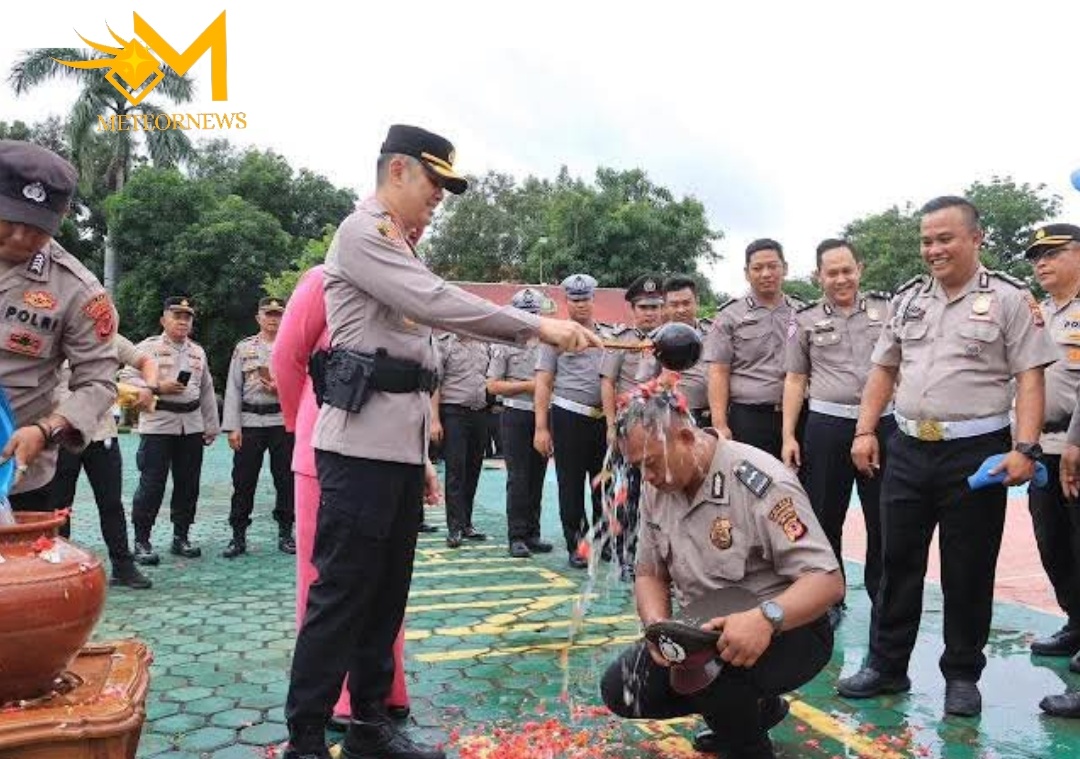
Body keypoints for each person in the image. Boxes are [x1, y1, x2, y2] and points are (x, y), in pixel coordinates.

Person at [282, 124, 601, 759]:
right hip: (356, 452)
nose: (440, 197)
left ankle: (372, 726)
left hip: (395, 451)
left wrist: (419, 460)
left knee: (385, 596)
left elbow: (415, 359)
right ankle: (307, 738)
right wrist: (538, 327)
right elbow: (434, 304)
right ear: (397, 171)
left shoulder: (400, 244)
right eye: (435, 182)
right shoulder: (363, 232)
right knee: (341, 595)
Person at [837, 196, 1058, 717]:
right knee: (895, 562)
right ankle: (887, 666)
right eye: (926, 240)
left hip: (976, 456)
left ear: (975, 239)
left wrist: (1025, 448)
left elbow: (1031, 377)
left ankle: (962, 675)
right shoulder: (908, 299)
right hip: (907, 448)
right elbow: (884, 370)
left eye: (944, 238)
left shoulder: (1008, 299)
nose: (933, 250)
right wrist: (864, 431)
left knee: (968, 568)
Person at [599, 375, 843, 759]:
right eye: (637, 467)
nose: (646, 477)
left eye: (650, 464)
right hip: (705, 629)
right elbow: (650, 573)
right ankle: (756, 712)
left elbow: (827, 583)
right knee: (623, 689)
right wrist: (657, 631)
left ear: (685, 438)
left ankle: (746, 743)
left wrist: (765, 619)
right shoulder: (657, 485)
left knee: (716, 684)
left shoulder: (760, 482)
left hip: (788, 628)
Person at [272, 264, 409, 732]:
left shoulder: (403, 279)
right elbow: (286, 359)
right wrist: (303, 425)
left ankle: (384, 693)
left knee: (386, 584)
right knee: (328, 583)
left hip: (388, 450)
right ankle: (338, 702)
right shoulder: (324, 279)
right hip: (326, 448)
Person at [0, 140, 119, 517]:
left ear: (61, 218)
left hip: (15, 476)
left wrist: (47, 429)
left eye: (36, 229)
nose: (20, 238)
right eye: (9, 221)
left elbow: (99, 382)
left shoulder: (78, 293)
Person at [781, 239, 893, 622]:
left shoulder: (887, 309)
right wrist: (788, 436)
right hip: (827, 426)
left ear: (859, 269)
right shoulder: (805, 319)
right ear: (818, 276)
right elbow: (795, 379)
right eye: (832, 272)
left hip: (883, 425)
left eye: (848, 270)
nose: (841, 279)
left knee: (885, 517)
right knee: (826, 516)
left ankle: (885, 596)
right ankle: (829, 599)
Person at [1018, 224, 1080, 718]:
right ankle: (1076, 624)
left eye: (1052, 253)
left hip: (1079, 448)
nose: (1041, 262)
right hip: (1046, 447)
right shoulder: (1042, 312)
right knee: (1053, 545)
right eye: (1036, 256)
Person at [48, 333, 158, 589]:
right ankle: (57, 569)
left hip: (102, 434)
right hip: (61, 435)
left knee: (111, 505)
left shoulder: (108, 339)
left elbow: (146, 361)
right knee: (59, 507)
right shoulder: (54, 335)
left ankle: (123, 567)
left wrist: (149, 387)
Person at [124, 297, 220, 565]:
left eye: (187, 317)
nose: (182, 321)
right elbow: (126, 378)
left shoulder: (197, 352)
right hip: (158, 423)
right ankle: (142, 540)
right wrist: (157, 387)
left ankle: (181, 536)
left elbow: (206, 390)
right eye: (176, 315)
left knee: (188, 484)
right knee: (152, 483)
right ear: (163, 319)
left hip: (191, 425)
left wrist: (211, 425)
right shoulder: (147, 348)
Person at [534, 273, 610, 569]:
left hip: (604, 420)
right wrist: (541, 427)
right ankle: (577, 545)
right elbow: (543, 382)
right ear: (567, 301)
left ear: (594, 299)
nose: (580, 305)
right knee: (570, 484)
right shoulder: (555, 337)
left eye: (585, 299)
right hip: (568, 416)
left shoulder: (609, 334)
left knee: (604, 485)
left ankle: (604, 541)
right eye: (575, 300)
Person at [705, 239, 801, 458]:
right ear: (747, 273)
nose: (766, 273)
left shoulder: (802, 313)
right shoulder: (729, 316)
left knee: (798, 485)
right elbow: (718, 371)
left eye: (773, 266)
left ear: (784, 268)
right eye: (757, 268)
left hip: (799, 415)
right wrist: (719, 424)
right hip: (749, 418)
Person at [600, 273, 664, 580]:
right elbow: (608, 383)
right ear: (632, 310)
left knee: (664, 496)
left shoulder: (670, 339)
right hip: (630, 430)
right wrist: (612, 425)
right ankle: (627, 556)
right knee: (629, 495)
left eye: (655, 307)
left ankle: (662, 560)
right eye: (643, 307)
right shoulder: (620, 339)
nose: (650, 313)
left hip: (663, 430)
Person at [221, 296, 296, 558]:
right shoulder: (244, 348)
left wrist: (282, 388)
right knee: (243, 481)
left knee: (286, 480)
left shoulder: (293, 347)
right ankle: (238, 536)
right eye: (269, 314)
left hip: (282, 422)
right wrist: (233, 427)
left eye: (278, 314)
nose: (273, 319)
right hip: (250, 421)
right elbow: (233, 388)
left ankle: (286, 533)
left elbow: (303, 385)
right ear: (258, 318)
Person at [486, 287, 552, 559]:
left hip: (545, 416)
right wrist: (531, 385)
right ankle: (516, 536)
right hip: (516, 414)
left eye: (533, 315)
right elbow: (492, 386)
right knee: (519, 477)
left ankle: (532, 533)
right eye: (523, 315)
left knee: (538, 475)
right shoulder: (504, 345)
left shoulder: (550, 344)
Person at [430, 330, 491, 547]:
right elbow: (434, 382)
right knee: (456, 470)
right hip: (453, 412)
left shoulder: (483, 343)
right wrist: (434, 419)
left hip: (479, 412)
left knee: (473, 469)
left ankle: (467, 523)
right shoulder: (444, 344)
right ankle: (454, 527)